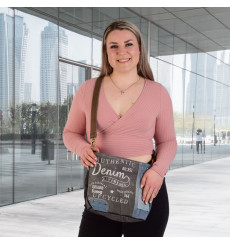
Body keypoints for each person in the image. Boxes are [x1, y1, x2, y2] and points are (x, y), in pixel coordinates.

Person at [63, 20, 177, 237]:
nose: (121, 51)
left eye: (128, 44)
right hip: (101, 188)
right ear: (106, 52)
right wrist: (82, 148)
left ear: (140, 49)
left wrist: (158, 172)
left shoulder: (158, 92)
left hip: (147, 188)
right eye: (113, 46)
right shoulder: (88, 90)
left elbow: (168, 141)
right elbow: (70, 133)